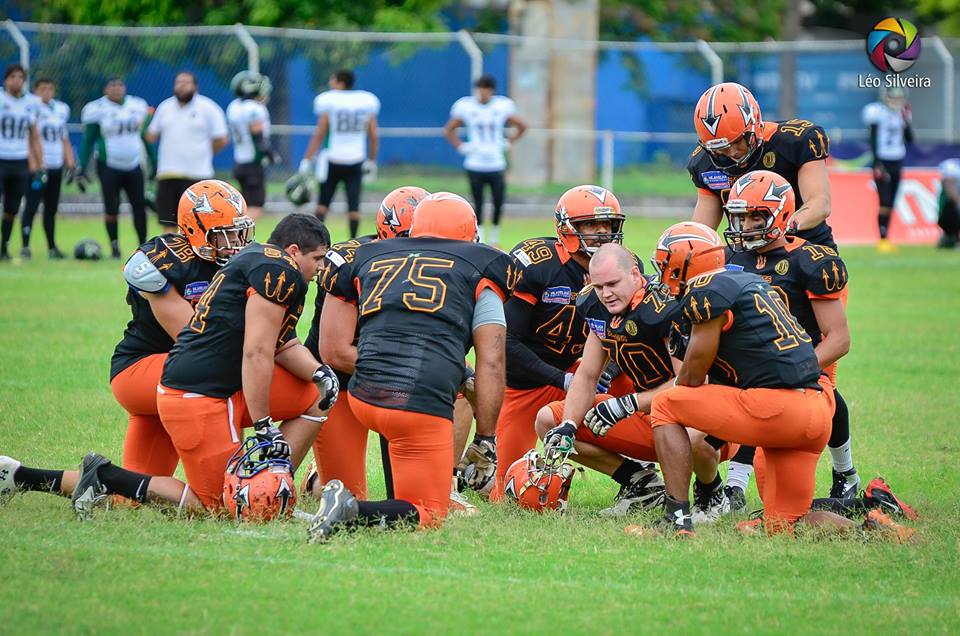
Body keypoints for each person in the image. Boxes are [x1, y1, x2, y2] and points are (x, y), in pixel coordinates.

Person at [1, 213, 340, 519]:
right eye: (318, 259)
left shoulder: (255, 260)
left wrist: (318, 372)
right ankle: (106, 476)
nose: (321, 268)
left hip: (189, 381)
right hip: (176, 383)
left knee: (129, 499)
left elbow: (279, 343)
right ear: (293, 251)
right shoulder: (272, 270)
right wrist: (264, 424)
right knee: (222, 507)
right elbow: (254, 352)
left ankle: (22, 476)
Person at [640, 222, 912, 541]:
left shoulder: (707, 292)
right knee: (784, 523)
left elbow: (690, 381)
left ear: (681, 265)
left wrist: (678, 348)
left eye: (663, 265)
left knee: (666, 404)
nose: (661, 274)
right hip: (816, 408)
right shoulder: (750, 283)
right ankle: (878, 530)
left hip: (779, 409)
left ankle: (677, 521)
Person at [308, 192, 514, 542]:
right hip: (399, 396)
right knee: (428, 512)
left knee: (389, 492)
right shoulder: (481, 265)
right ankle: (347, 504)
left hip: (364, 392)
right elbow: (491, 362)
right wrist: (487, 438)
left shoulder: (363, 259)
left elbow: (336, 347)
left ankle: (339, 495)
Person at [687, 81, 842, 496]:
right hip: (746, 262)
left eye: (737, 144)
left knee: (814, 374)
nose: (731, 155)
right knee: (755, 367)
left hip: (805, 257)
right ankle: (736, 482)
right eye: (721, 149)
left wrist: (777, 227)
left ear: (754, 125)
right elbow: (704, 229)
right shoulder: (708, 161)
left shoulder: (797, 140)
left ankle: (845, 473)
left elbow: (819, 203)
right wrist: (684, 258)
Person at [536, 244, 737, 519]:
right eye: (598, 286)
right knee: (549, 422)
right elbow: (587, 374)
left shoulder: (664, 305)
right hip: (650, 415)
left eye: (613, 283)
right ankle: (640, 483)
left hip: (704, 415)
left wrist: (627, 404)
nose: (605, 294)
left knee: (690, 435)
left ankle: (710, 490)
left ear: (634, 273)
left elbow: (688, 382)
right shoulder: (594, 305)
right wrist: (569, 424)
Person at [490, 185, 659, 507]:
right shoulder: (537, 263)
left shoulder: (623, 265)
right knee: (507, 491)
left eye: (608, 225)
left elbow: (632, 333)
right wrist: (562, 380)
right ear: (567, 227)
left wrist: (606, 370)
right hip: (530, 375)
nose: (601, 233)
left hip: (587, 366)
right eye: (590, 225)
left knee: (641, 372)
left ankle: (645, 474)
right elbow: (505, 341)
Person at [721, 170, 856, 510]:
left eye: (756, 216)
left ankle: (846, 472)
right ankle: (728, 486)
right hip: (746, 365)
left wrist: (795, 368)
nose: (746, 226)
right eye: (740, 217)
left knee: (777, 501)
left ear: (781, 215)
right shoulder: (728, 258)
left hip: (802, 363)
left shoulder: (810, 260)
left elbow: (838, 339)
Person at [110, 180, 253, 479]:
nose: (237, 242)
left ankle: (31, 475)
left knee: (130, 494)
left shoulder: (236, 264)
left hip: (184, 375)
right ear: (197, 230)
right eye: (226, 234)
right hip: (144, 368)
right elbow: (194, 343)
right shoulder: (164, 261)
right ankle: (235, 471)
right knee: (226, 374)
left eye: (240, 232)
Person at [444, 74, 527, 247]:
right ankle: (480, 236)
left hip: (496, 162)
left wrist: (508, 142)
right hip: (475, 163)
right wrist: (461, 146)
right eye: (481, 88)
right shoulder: (466, 107)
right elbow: (449, 129)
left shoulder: (501, 106)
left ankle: (495, 238)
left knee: (498, 200)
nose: (483, 92)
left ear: (492, 91)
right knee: (478, 202)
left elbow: (522, 125)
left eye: (487, 89)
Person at [300, 69, 379, 239]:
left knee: (322, 204)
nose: (330, 83)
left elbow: (320, 132)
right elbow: (373, 134)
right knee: (354, 207)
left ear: (340, 82)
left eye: (333, 79)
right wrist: (372, 160)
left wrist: (307, 159)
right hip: (356, 158)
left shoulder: (329, 100)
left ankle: (315, 241)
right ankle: (353, 242)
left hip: (333, 159)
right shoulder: (366, 101)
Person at [78, 77, 151, 259]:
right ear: (105, 89)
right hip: (109, 165)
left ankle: (143, 246)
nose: (117, 89)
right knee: (112, 207)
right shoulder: (97, 109)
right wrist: (82, 166)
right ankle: (114, 247)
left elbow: (144, 137)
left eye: (120, 85)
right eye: (113, 86)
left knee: (139, 206)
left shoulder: (137, 105)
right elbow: (88, 140)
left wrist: (154, 161)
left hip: (134, 164)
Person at [146, 71, 229, 230]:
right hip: (168, 172)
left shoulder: (208, 108)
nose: (181, 86)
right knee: (168, 221)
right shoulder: (166, 107)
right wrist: (144, 121)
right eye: (178, 82)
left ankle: (195, 254)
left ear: (195, 86)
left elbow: (221, 138)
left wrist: (204, 154)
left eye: (186, 82)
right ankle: (170, 253)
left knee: (197, 223)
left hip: (197, 174)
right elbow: (151, 136)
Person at [22, 77, 74, 259]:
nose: (46, 92)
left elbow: (64, 137)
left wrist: (70, 162)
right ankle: (25, 246)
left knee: (51, 209)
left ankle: (52, 247)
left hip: (55, 166)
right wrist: (34, 165)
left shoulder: (60, 109)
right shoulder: (31, 108)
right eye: (42, 89)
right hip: (38, 167)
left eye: (50, 88)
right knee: (31, 206)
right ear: (35, 91)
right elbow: (29, 138)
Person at [0, 64, 43, 262]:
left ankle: (4, 247)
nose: (16, 80)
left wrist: (39, 163)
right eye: (13, 77)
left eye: (20, 77)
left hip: (19, 161)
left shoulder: (31, 103)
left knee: (12, 208)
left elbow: (34, 135)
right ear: (6, 79)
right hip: (1, 158)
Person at [862, 86, 913, 253]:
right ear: (886, 97)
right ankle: (882, 238)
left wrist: (906, 122)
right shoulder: (877, 112)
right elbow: (873, 138)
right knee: (884, 200)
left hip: (897, 160)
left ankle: (887, 237)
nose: (896, 101)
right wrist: (877, 162)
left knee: (891, 201)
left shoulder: (902, 113)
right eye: (893, 97)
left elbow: (910, 140)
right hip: (882, 160)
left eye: (898, 98)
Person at [226, 71, 279, 220]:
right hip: (252, 163)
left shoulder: (234, 106)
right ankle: (242, 239)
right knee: (256, 206)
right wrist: (270, 154)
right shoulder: (254, 108)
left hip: (239, 161)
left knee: (244, 205)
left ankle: (239, 238)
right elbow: (258, 136)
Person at [937, 157, 960, 248]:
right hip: (948, 211)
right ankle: (950, 237)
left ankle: (949, 238)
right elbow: (951, 192)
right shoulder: (952, 166)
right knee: (953, 207)